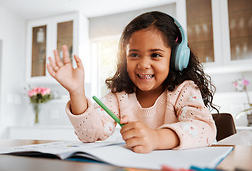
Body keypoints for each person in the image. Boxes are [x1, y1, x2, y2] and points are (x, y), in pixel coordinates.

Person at [47, 11, 217, 153]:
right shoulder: (120, 96)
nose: (143, 64)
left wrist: (155, 138)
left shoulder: (184, 90)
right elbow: (90, 134)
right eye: (134, 54)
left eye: (155, 55)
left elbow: (205, 129)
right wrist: (77, 92)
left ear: (175, 58)